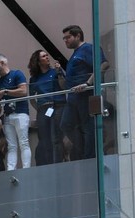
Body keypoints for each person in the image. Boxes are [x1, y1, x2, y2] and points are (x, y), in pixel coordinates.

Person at [59, 24, 110, 160]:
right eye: (64, 38)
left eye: (68, 37)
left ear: (78, 36)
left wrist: (88, 83)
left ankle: (92, 155)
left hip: (86, 95)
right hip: (74, 98)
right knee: (66, 124)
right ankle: (86, 151)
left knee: (89, 127)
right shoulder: (75, 55)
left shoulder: (87, 48)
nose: (65, 40)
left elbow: (103, 64)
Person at [0, 53, 31, 171]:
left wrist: (6, 92)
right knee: (11, 146)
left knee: (23, 143)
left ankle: (26, 170)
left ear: (2, 63)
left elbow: (23, 91)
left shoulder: (17, 74)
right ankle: (11, 171)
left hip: (20, 113)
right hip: (7, 116)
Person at [28, 49, 67, 165]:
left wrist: (60, 72)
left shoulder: (55, 72)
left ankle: (58, 163)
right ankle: (48, 164)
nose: (47, 57)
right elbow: (31, 97)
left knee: (56, 138)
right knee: (44, 139)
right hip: (43, 109)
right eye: (44, 56)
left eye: (47, 55)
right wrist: (39, 108)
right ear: (38, 61)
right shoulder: (34, 79)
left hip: (58, 105)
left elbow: (64, 86)